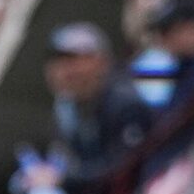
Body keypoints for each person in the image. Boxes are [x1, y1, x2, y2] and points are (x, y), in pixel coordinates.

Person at [44, 22, 152, 180]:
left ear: (100, 60)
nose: (63, 71)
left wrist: (66, 180)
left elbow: (129, 164)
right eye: (57, 63)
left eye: (71, 60)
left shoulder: (125, 97)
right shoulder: (66, 111)